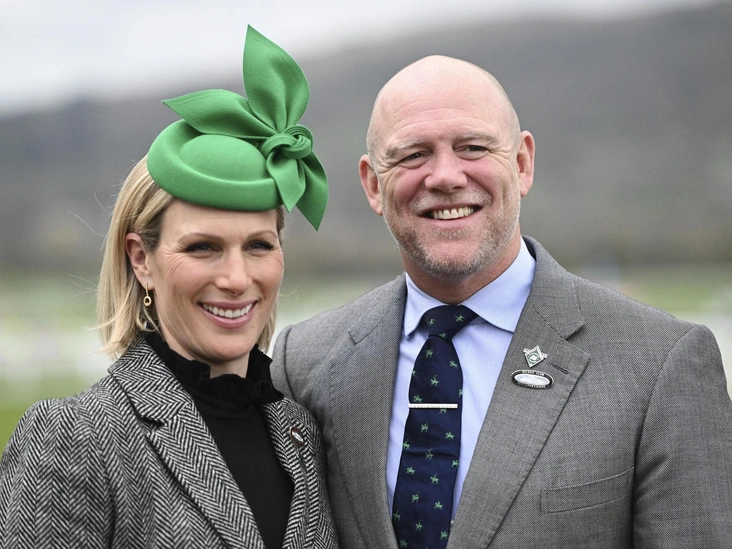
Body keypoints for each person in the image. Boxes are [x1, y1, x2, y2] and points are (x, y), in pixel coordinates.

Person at [270, 54, 732, 548]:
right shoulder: (305, 363)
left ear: (522, 163)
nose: (445, 176)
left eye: (472, 147)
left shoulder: (660, 365)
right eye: (413, 155)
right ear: (372, 184)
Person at [0, 26, 337, 549]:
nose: (236, 279)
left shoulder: (301, 435)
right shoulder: (75, 437)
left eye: (258, 245)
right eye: (203, 247)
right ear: (141, 259)